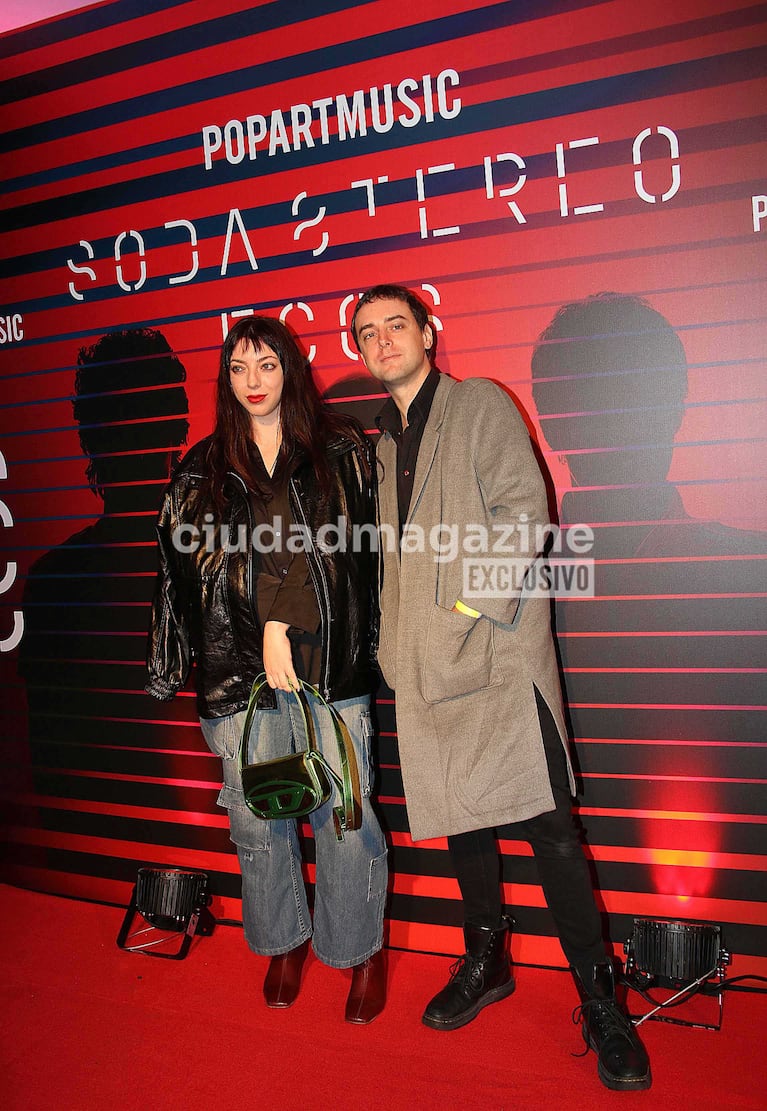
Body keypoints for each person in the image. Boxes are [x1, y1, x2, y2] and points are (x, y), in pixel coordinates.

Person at [351, 284, 651, 1089]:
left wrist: (459, 607)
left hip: (495, 656)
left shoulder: (479, 404)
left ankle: (601, 999)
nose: (382, 342)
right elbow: (389, 559)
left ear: (427, 332)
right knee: (461, 822)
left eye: (395, 326)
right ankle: (485, 961)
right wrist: (393, 641)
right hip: (424, 671)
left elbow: (525, 514)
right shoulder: (379, 445)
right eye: (366, 334)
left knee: (551, 829)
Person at [146, 315, 388, 1023]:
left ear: (291, 369)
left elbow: (354, 555)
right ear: (225, 379)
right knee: (257, 820)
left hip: (324, 664)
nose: (253, 383)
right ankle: (285, 938)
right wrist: (170, 660)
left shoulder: (338, 448)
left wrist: (284, 625)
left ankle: (357, 947)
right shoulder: (199, 466)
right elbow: (174, 571)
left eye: (267, 366)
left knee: (344, 816)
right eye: (239, 369)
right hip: (233, 676)